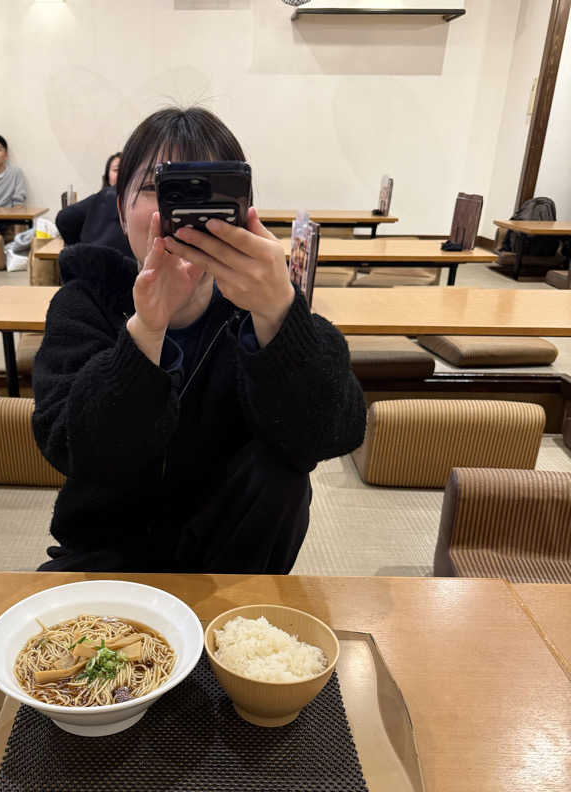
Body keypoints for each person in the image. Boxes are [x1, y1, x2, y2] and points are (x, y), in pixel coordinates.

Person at [31, 107, 366, 574]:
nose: (180, 210)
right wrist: (146, 330)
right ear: (121, 209)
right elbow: (66, 447)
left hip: (236, 560)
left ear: (244, 209)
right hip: (108, 553)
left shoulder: (258, 300)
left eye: (208, 187)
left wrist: (278, 313)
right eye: (157, 187)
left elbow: (336, 432)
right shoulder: (84, 301)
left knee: (282, 470)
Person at [55, 151, 131, 258]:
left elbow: (64, 219)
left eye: (126, 170)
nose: (121, 174)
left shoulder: (99, 199)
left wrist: (80, 247)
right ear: (107, 176)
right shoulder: (98, 199)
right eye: (117, 170)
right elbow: (65, 218)